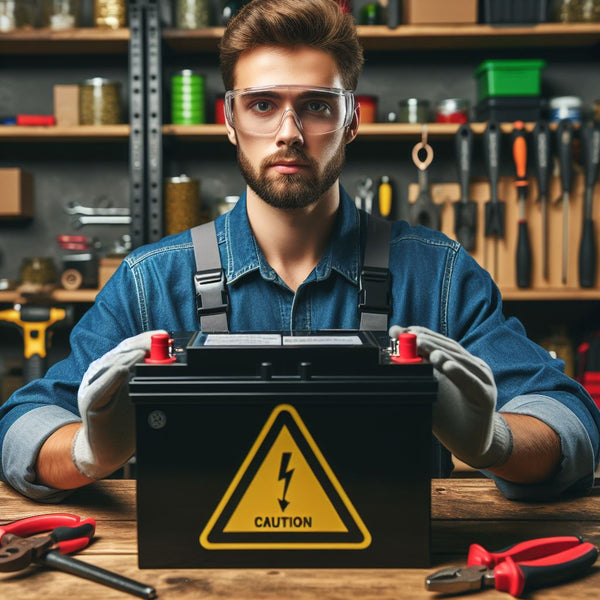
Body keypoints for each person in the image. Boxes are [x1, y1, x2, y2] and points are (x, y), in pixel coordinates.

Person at [0, 0, 598, 502]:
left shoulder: (437, 275)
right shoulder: (151, 283)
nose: (288, 131)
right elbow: (22, 427)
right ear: (230, 121)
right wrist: (86, 450)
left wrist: (494, 440)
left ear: (351, 122)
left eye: (316, 105)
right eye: (261, 105)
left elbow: (571, 423)